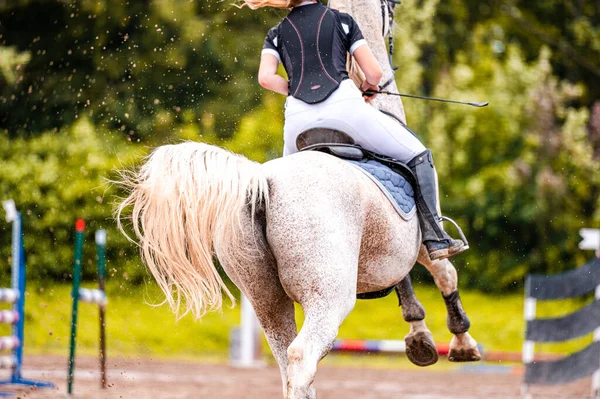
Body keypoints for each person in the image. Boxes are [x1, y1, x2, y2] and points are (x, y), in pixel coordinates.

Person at [246, 0, 466, 260]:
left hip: (298, 121)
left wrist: (294, 89)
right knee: (419, 155)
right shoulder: (342, 21)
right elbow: (374, 72)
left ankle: (267, 253)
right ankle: (436, 237)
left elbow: (265, 78)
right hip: (346, 111)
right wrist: (369, 88)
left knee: (279, 188)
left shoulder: (276, 33)